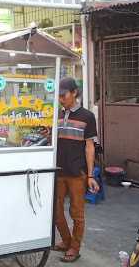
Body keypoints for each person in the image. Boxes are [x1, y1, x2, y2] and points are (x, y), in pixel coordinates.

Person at [54, 77, 100, 263]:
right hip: (57, 171)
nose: (60, 99)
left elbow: (90, 147)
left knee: (77, 213)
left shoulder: (87, 116)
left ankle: (75, 247)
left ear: (74, 93)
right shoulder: (57, 114)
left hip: (77, 172)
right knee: (56, 212)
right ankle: (66, 241)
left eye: (63, 95)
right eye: (58, 96)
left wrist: (90, 175)